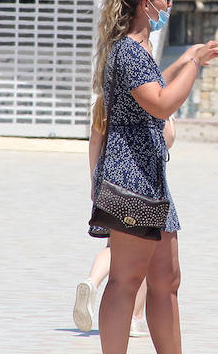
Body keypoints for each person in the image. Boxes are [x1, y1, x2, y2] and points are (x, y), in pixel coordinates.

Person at [88, 0, 218, 354]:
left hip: (151, 179)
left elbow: (154, 86)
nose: (169, 5)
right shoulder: (128, 52)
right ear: (144, 4)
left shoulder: (140, 49)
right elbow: (162, 102)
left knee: (167, 280)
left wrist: (187, 58)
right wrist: (197, 66)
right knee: (126, 282)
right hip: (130, 179)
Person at [74, 118, 175, 337]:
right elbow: (168, 137)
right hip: (142, 180)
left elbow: (95, 137)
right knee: (146, 250)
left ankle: (92, 281)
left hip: (111, 179)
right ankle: (134, 318)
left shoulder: (106, 96)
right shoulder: (150, 91)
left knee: (114, 245)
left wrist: (94, 180)